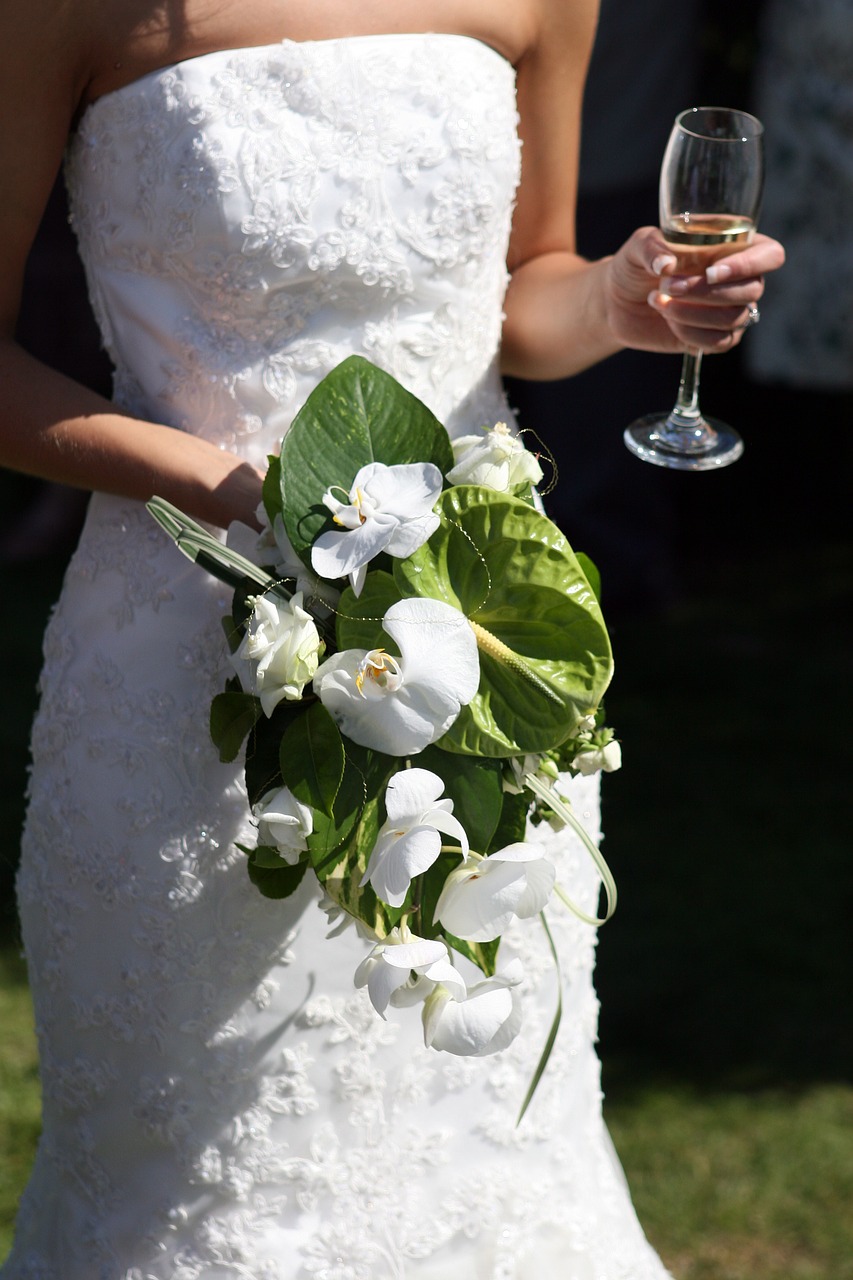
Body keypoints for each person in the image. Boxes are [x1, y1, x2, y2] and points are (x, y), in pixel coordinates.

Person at [0, 1, 784, 1275]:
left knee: (481, 1142)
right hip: (185, 659)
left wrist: (619, 302)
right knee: (203, 1177)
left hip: (470, 649)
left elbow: (525, 295)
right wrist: (234, 491)